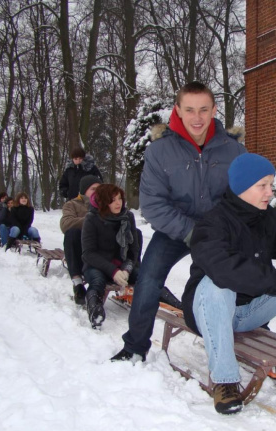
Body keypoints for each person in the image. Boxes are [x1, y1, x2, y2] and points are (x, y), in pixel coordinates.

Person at [181, 153, 276, 414]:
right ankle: (225, 381)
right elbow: (226, 270)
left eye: (271, 185)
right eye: (262, 186)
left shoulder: (268, 219)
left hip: (249, 311)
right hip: (211, 312)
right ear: (241, 186)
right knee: (218, 284)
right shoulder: (212, 223)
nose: (269, 192)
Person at [111, 81, 246, 363]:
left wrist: (223, 231)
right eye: (190, 110)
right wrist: (192, 232)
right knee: (148, 280)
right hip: (175, 230)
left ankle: (255, 335)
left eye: (203, 110)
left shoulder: (232, 151)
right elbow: (153, 206)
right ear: (178, 111)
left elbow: (242, 197)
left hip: (217, 231)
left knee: (243, 272)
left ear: (214, 110)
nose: (197, 118)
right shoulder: (159, 151)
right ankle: (135, 346)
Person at [81, 184, 140, 329]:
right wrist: (113, 271)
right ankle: (95, 311)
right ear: (104, 202)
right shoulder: (91, 218)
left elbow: (133, 251)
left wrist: (127, 269)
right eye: (113, 200)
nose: (118, 203)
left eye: (120, 198)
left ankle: (175, 305)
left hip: (122, 266)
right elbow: (88, 253)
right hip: (98, 265)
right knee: (97, 280)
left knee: (145, 277)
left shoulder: (127, 217)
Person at [60, 175, 102, 305]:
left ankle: (135, 275)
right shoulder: (72, 204)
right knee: (71, 233)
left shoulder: (106, 204)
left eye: (99, 189)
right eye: (93, 189)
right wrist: (91, 221)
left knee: (134, 233)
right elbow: (66, 224)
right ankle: (77, 282)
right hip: (81, 248)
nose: (97, 192)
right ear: (84, 190)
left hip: (102, 247)